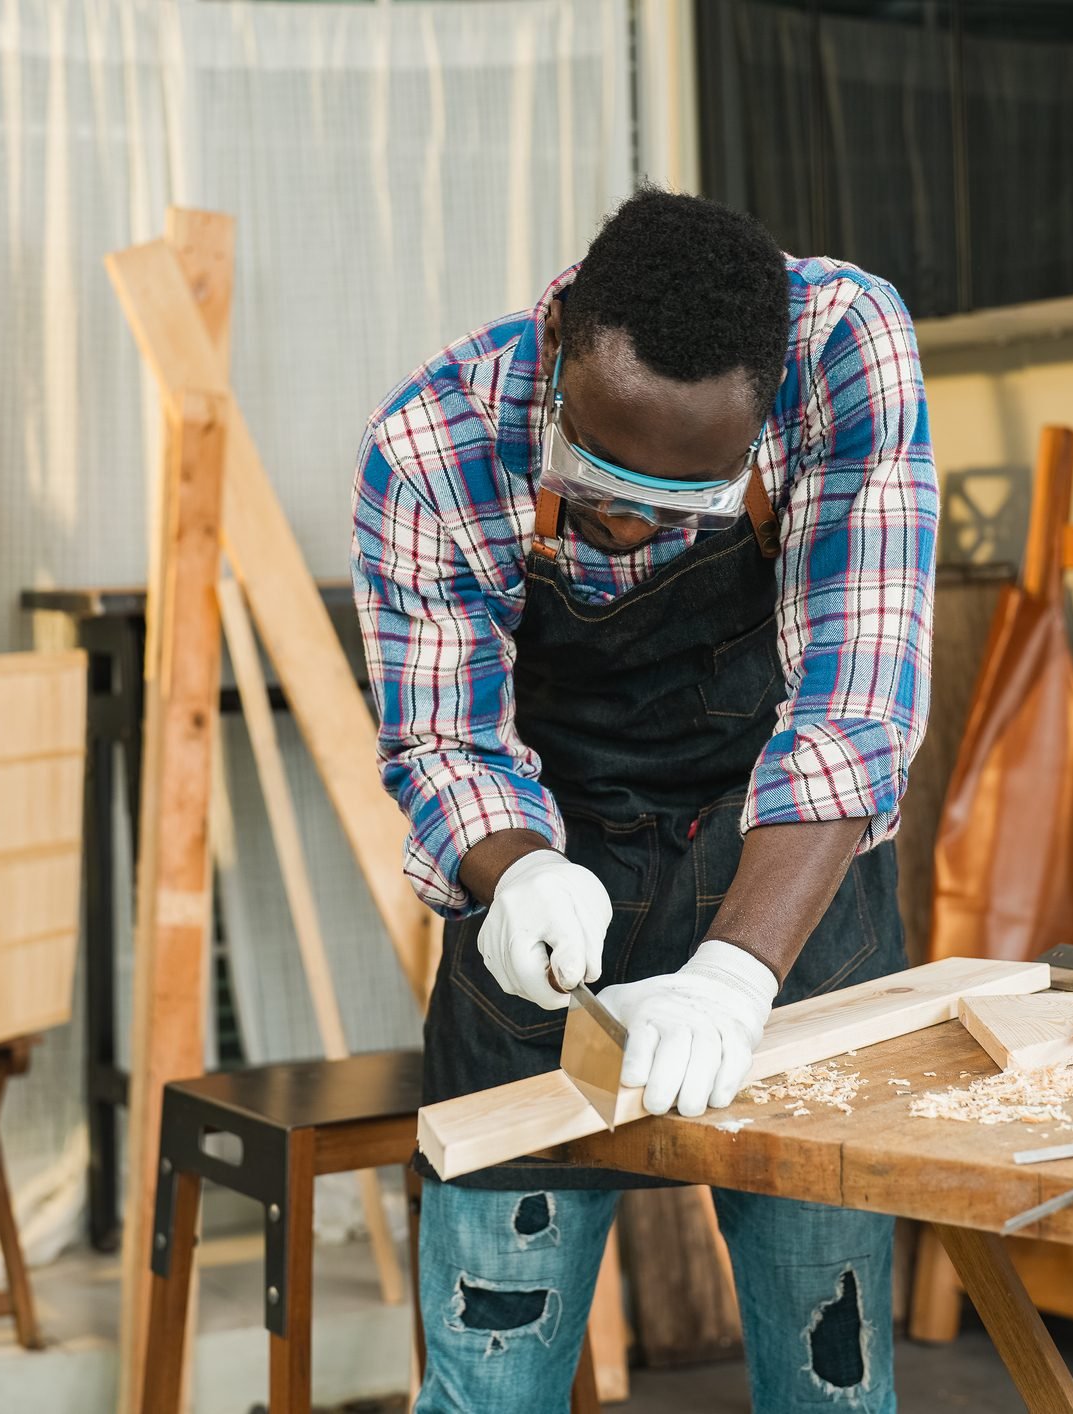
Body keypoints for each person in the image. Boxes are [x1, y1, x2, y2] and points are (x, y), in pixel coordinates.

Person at [352, 189, 936, 1412]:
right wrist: (511, 872)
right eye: (600, 472)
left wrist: (734, 975)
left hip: (783, 877)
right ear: (559, 334)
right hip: (555, 880)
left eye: (684, 500)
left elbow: (853, 701)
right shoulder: (432, 443)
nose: (626, 518)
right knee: (487, 1380)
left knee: (830, 1368)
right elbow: (446, 734)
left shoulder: (843, 347)